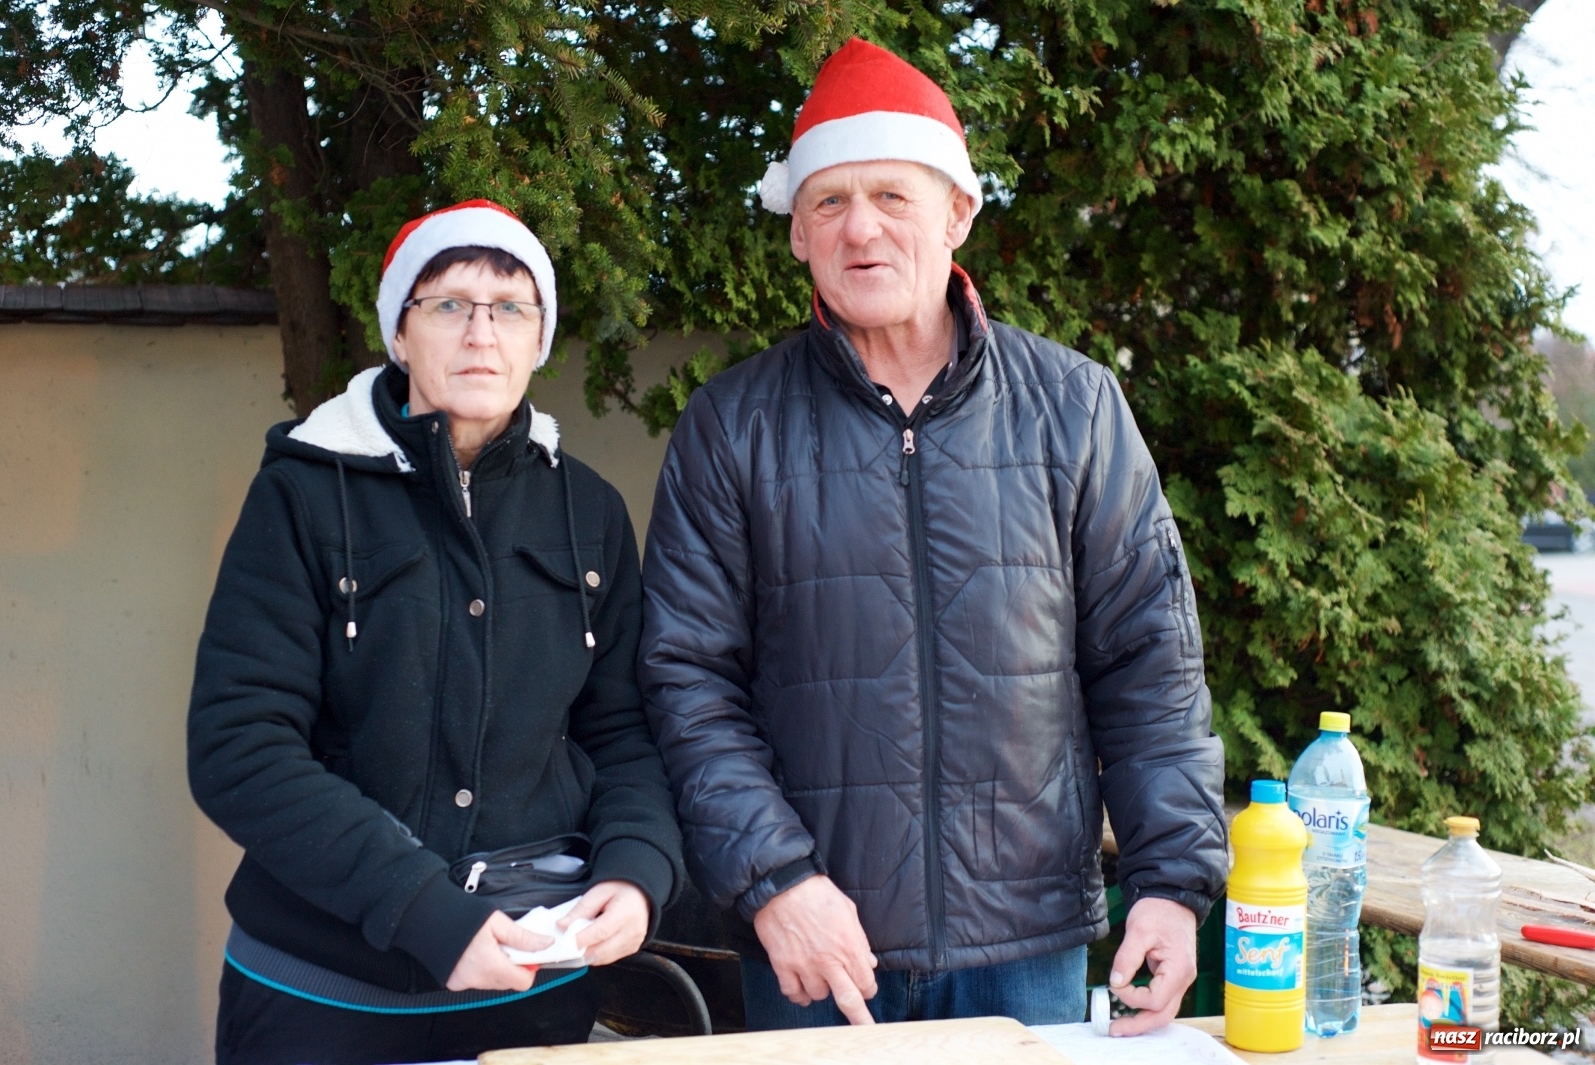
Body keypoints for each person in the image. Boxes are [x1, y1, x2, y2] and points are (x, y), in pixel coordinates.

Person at [640, 39, 1225, 1035]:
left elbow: (1148, 665)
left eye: (892, 197)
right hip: (814, 952)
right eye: (829, 202)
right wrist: (776, 881)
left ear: (957, 213)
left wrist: (1171, 885)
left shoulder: (1074, 409)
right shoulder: (732, 426)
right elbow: (687, 680)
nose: (860, 228)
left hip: (1025, 951)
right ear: (796, 234)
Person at [188, 199, 684, 1065]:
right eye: (448, 305)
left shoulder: (589, 511)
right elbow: (240, 748)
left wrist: (637, 868)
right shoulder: (303, 495)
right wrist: (425, 911)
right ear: (400, 334)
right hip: (322, 988)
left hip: (532, 992)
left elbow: (624, 732)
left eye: (510, 309)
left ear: (538, 338)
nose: (480, 333)